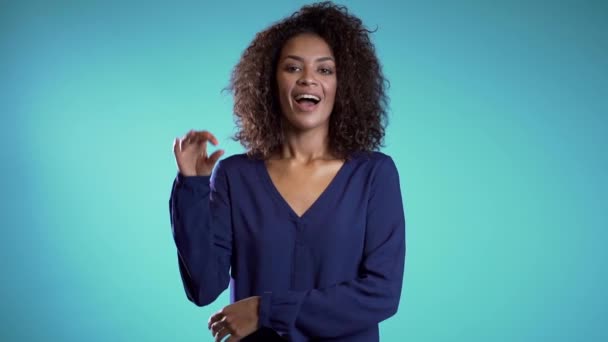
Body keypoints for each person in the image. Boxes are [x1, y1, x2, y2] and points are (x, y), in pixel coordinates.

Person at [169, 2, 406, 341]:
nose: (308, 78)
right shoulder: (234, 176)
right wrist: (191, 187)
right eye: (292, 68)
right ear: (270, 81)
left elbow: (381, 293)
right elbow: (204, 288)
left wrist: (266, 311)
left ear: (345, 85)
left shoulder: (374, 175)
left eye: (325, 70)